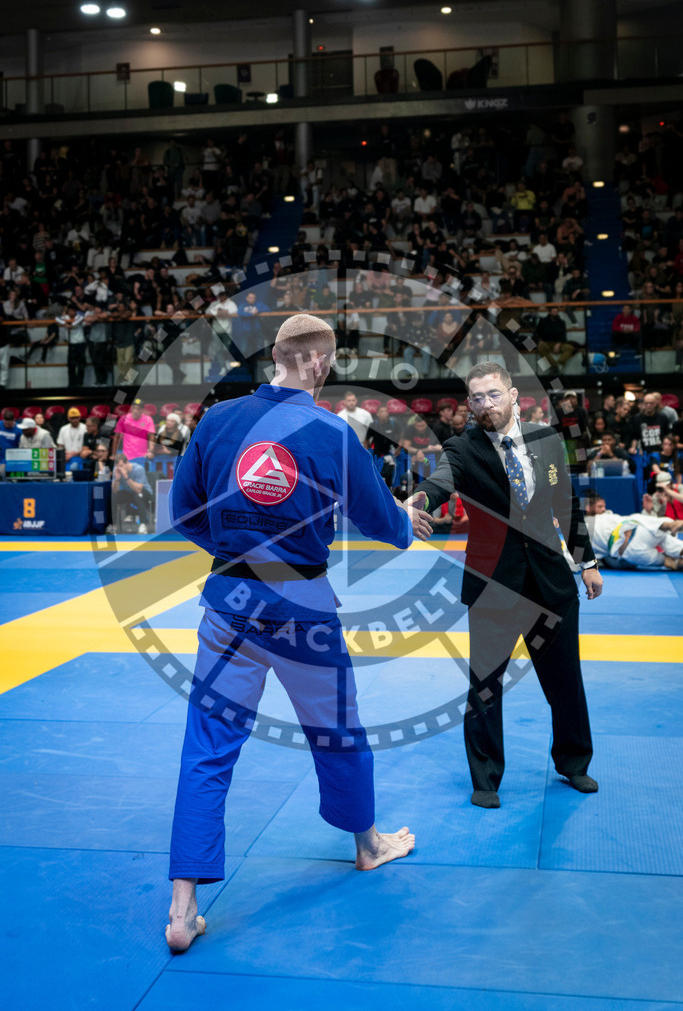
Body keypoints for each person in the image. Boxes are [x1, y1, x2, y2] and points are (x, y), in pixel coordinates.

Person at [166, 313, 432, 952]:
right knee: (339, 732)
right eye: (330, 362)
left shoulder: (217, 419)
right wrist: (406, 518)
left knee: (207, 746)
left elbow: (184, 513)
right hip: (304, 610)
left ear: (278, 356)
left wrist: (237, 554)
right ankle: (367, 845)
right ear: (316, 363)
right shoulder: (333, 433)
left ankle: (181, 910)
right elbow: (384, 526)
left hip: (229, 603)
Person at [419, 362, 602, 808]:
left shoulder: (546, 438)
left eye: (493, 395)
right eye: (476, 398)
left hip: (550, 581)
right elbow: (440, 483)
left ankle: (574, 764)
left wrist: (588, 563)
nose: (485, 405)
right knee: (485, 684)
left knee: (565, 680)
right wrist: (417, 501)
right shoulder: (462, 447)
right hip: (492, 583)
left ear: (513, 394)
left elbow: (566, 505)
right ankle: (485, 778)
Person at [584, 493, 683, 570]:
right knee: (635, 519)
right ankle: (669, 525)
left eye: (604, 506)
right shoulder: (585, 525)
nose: (604, 509)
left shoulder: (607, 516)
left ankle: (674, 562)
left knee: (669, 560)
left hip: (633, 552)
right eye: (600, 507)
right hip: (635, 537)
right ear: (587, 508)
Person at [110, 453, 153, 533]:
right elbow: (115, 491)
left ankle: (143, 524)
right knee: (115, 497)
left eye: (121, 465)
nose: (120, 468)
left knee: (138, 495)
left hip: (144, 492)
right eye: (118, 466)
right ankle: (114, 525)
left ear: (127, 463)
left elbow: (138, 489)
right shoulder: (116, 470)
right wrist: (117, 479)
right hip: (129, 492)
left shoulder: (138, 469)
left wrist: (126, 477)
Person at [0, 408, 21, 478]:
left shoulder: (19, 429)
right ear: (3, 420)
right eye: (6, 423)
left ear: (14, 420)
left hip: (11, 458)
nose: (7, 425)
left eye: (10, 423)